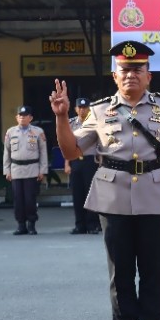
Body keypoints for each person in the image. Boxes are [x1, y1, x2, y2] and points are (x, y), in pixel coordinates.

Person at [51, 41, 160, 320]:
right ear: (114, 76)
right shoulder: (99, 110)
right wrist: (62, 117)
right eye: (125, 69)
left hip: (153, 193)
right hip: (113, 195)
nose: (131, 74)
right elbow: (72, 151)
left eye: (137, 69)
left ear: (149, 75)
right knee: (119, 271)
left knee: (151, 270)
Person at [3, 106, 48, 235]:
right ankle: (21, 225)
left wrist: (42, 170)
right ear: (16, 117)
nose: (22, 117)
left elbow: (43, 152)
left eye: (25, 115)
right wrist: (7, 170)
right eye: (20, 115)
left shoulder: (38, 132)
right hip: (16, 170)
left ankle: (31, 224)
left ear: (30, 118)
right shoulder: (11, 132)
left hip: (32, 169)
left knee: (30, 199)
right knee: (18, 199)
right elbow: (7, 152)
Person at [64, 97, 101, 235]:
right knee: (77, 194)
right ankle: (80, 225)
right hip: (75, 161)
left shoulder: (95, 123)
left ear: (89, 109)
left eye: (85, 107)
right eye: (79, 107)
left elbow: (101, 143)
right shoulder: (70, 124)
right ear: (75, 109)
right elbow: (67, 144)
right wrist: (67, 163)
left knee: (91, 194)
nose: (82, 110)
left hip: (91, 161)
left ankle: (93, 224)